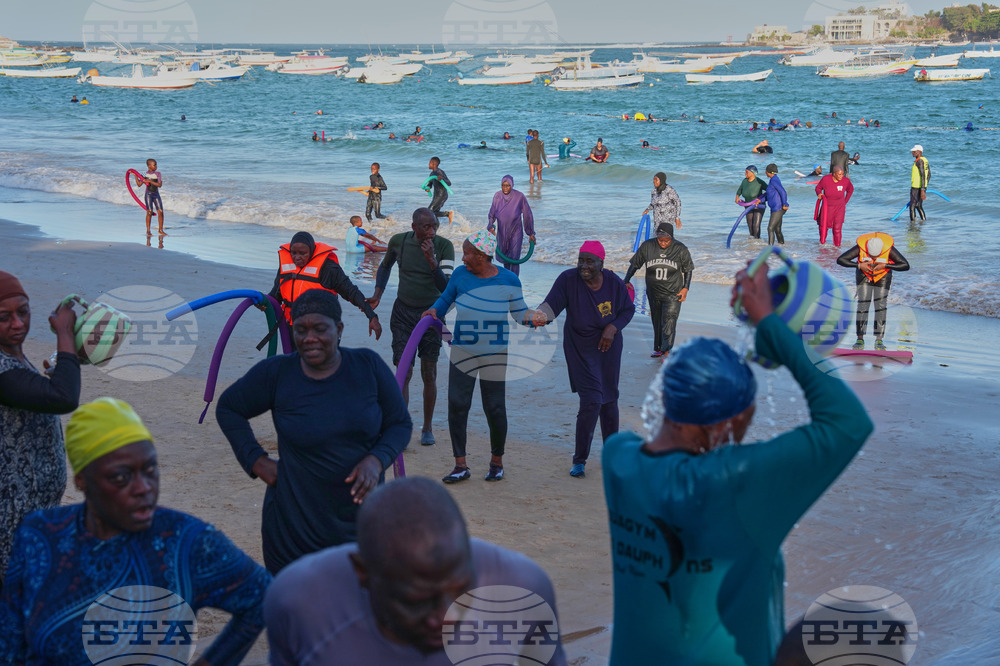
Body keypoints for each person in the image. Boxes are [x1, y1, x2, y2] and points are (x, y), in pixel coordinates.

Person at [602, 266, 874, 666]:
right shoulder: (735, 483)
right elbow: (849, 423)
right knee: (862, 625)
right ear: (724, 423)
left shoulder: (618, 459)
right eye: (748, 416)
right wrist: (771, 327)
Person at [0, 398, 271, 664]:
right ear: (81, 480)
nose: (144, 488)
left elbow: (264, 596)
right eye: (121, 476)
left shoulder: (186, 542)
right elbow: (9, 643)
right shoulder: (40, 535)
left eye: (150, 469)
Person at [264, 477, 568, 665]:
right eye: (417, 601)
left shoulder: (524, 592)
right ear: (363, 573)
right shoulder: (299, 605)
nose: (446, 618)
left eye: (462, 590)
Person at [217, 290, 412, 573]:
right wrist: (256, 461)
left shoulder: (367, 367)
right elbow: (229, 407)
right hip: (293, 529)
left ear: (339, 329)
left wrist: (377, 459)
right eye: (301, 330)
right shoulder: (278, 373)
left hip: (360, 525)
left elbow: (400, 424)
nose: (309, 338)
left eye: (320, 329)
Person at [422, 230, 530, 484]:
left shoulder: (509, 280)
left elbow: (519, 314)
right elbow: (445, 299)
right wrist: (434, 311)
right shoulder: (460, 275)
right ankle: (460, 465)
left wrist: (535, 318)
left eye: (467, 253)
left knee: (494, 407)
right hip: (463, 349)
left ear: (482, 256)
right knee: (457, 404)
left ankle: (496, 462)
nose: (463, 258)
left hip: (495, 352)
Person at [0, 272, 80, 584]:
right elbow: (63, 397)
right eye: (4, 317)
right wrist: (65, 334)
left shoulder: (13, 357)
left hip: (34, 509)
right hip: (10, 515)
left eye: (23, 312)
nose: (18, 324)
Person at [529, 242, 634, 478]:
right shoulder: (568, 280)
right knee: (592, 401)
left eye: (589, 261)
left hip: (609, 347)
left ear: (601, 264)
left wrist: (613, 327)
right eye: (580, 260)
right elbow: (551, 305)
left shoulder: (614, 283)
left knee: (609, 400)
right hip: (580, 348)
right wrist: (540, 315)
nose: (583, 266)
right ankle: (579, 460)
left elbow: (628, 310)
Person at [370, 208, 456, 447]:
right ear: (414, 227)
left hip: (432, 316)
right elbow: (385, 266)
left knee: (429, 373)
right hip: (402, 313)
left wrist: (432, 261)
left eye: (435, 226)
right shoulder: (399, 241)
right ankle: (402, 428)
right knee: (403, 371)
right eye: (426, 227)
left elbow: (446, 288)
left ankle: (427, 427)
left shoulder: (445, 246)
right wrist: (378, 293)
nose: (431, 232)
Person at [267, 231, 382, 340]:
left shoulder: (328, 268)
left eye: (302, 253)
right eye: (294, 253)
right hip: (293, 327)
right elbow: (276, 295)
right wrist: (263, 301)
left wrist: (372, 316)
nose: (297, 257)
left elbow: (351, 292)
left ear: (311, 251)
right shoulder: (287, 267)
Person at [624, 224, 694, 358]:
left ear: (671, 237)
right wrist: (626, 280)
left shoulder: (680, 249)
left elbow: (688, 270)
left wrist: (686, 288)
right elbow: (635, 264)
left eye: (666, 240)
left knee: (669, 320)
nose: (663, 243)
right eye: (660, 240)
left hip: (673, 293)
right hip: (653, 292)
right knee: (656, 321)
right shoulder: (648, 246)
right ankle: (658, 348)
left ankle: (667, 351)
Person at [837, 232, 910, 351]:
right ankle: (860, 339)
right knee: (863, 305)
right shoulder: (860, 247)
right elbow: (841, 260)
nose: (874, 259)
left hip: (883, 276)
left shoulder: (889, 249)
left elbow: (905, 265)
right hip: (864, 275)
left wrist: (885, 265)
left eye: (876, 256)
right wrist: (859, 266)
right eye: (871, 256)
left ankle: (879, 340)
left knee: (880, 306)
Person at [487, 175, 536, 275]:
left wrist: (531, 233)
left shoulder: (519, 196)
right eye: (503, 185)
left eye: (508, 185)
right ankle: (508, 280)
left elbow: (527, 215)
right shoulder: (497, 196)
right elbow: (492, 213)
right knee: (505, 258)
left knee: (514, 258)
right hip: (502, 231)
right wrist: (490, 226)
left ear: (512, 185)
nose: (505, 188)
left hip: (516, 231)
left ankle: (514, 280)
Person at [815, 165, 854, 246]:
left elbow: (850, 190)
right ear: (834, 174)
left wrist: (845, 202)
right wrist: (819, 194)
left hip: (839, 208)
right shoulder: (826, 179)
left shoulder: (845, 181)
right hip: (827, 208)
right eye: (839, 174)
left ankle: (837, 248)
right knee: (823, 228)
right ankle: (822, 246)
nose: (841, 176)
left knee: (837, 229)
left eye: (842, 174)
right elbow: (818, 188)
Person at [643, 171, 682, 236]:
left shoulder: (669, 189)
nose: (654, 181)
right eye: (653, 180)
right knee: (656, 235)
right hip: (657, 218)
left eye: (656, 180)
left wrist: (677, 218)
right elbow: (653, 204)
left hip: (668, 218)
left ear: (661, 180)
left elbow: (678, 202)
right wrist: (647, 209)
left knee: (666, 236)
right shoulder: (654, 191)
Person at [735, 165, 767, 239]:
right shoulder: (744, 181)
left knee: (756, 225)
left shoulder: (759, 182)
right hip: (748, 206)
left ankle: (757, 241)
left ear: (753, 173)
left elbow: (770, 191)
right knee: (750, 225)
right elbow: (739, 190)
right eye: (745, 172)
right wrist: (737, 197)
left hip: (758, 206)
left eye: (747, 172)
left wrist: (760, 200)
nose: (745, 173)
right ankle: (752, 243)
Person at [136, 157, 165, 236]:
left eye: (156, 165)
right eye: (154, 165)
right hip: (148, 195)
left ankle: (160, 230)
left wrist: (149, 181)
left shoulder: (158, 173)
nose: (156, 166)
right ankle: (148, 231)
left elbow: (159, 185)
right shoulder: (145, 174)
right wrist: (136, 176)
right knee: (149, 212)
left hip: (156, 194)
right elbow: (139, 184)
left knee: (161, 212)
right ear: (149, 166)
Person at [425, 156, 454, 225]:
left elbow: (449, 183)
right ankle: (436, 227)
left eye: (429, 162)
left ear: (432, 163)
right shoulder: (432, 174)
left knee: (429, 211)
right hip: (436, 196)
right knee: (434, 213)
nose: (428, 164)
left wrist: (442, 179)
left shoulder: (440, 172)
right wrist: (428, 188)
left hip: (442, 195)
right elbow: (430, 183)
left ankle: (448, 214)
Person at [764, 163, 789, 245]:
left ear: (769, 172)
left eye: (766, 171)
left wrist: (785, 203)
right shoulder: (774, 179)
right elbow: (770, 195)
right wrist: (759, 200)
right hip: (775, 208)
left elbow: (783, 192)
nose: (765, 172)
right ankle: (782, 245)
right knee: (777, 229)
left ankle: (770, 248)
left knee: (770, 228)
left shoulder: (774, 180)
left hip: (778, 208)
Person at [909, 144, 931, 222]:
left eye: (914, 151)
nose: (912, 153)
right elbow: (929, 175)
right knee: (918, 206)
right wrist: (924, 187)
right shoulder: (925, 160)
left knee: (912, 206)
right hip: (921, 187)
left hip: (916, 187)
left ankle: (912, 225)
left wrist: (922, 190)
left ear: (919, 152)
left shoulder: (919, 161)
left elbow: (923, 175)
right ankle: (923, 222)